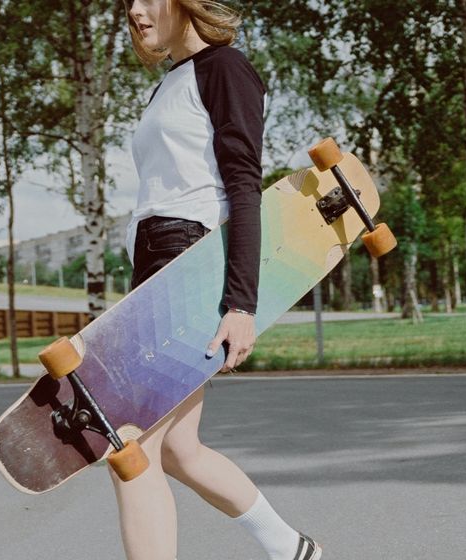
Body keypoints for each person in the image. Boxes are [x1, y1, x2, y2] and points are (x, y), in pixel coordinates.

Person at [115, 1, 322, 560]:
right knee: (179, 448)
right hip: (155, 261)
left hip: (186, 261)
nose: (134, 10)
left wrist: (241, 304)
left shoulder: (226, 69)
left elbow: (243, 187)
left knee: (132, 446)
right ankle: (290, 548)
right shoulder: (171, 83)